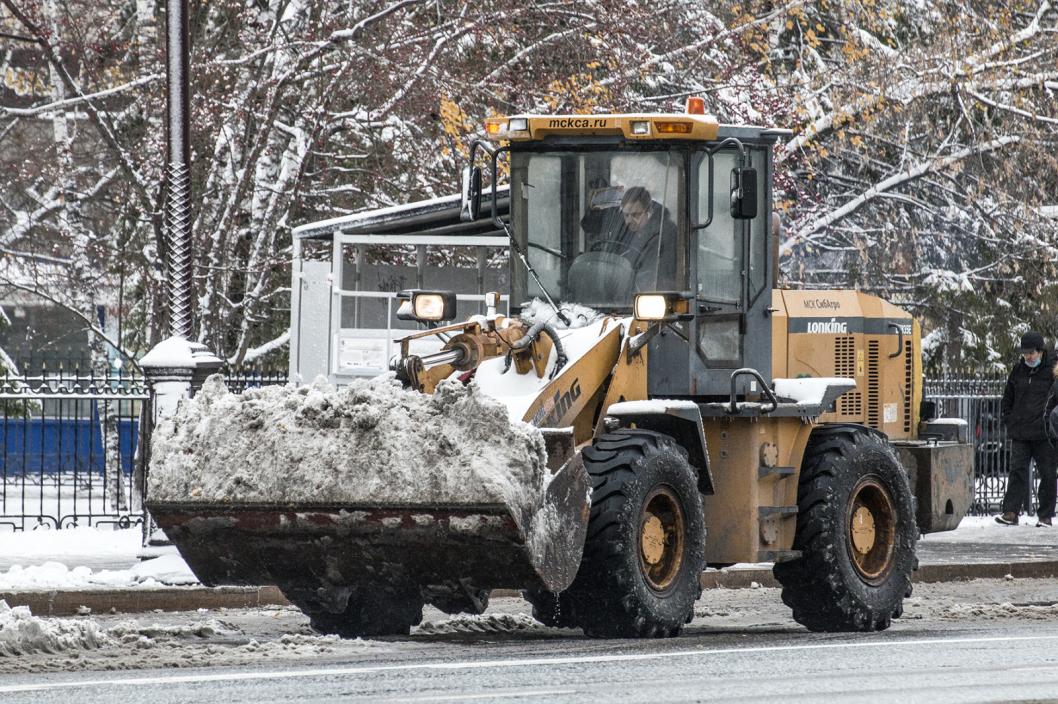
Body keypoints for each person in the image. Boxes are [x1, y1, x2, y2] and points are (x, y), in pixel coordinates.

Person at [996, 330, 1058, 526]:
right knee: (1017, 472)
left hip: (1044, 434)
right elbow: (1008, 398)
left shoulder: (1052, 372)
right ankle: (1011, 512)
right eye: (1025, 353)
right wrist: (1009, 419)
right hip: (1021, 432)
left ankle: (1045, 515)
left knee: (1047, 474)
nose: (1028, 357)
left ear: (1040, 352)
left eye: (1031, 353)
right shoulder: (1018, 370)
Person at [581, 186, 677, 291]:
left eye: (636, 215)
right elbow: (589, 225)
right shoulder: (622, 231)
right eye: (626, 215)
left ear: (648, 212)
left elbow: (656, 273)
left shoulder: (662, 234)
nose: (629, 221)